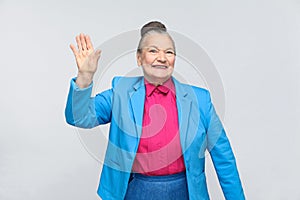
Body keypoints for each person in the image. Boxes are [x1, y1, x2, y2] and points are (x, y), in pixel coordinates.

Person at [65, 21, 245, 200]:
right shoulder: (120, 91)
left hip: (186, 192)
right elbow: (78, 117)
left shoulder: (200, 99)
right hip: (136, 191)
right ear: (139, 58)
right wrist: (85, 78)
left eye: (169, 52)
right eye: (153, 51)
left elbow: (224, 160)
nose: (162, 57)